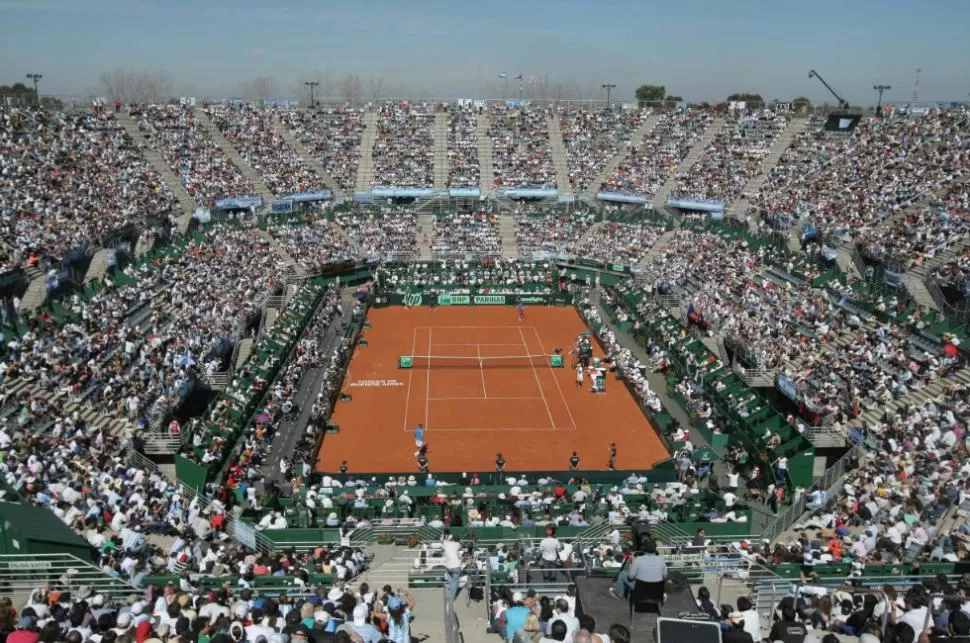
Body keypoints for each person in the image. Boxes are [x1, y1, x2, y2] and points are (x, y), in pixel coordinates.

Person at [441, 529, 463, 601]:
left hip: (448, 566)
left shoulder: (445, 543)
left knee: (450, 580)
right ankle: (452, 597)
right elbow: (461, 547)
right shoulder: (458, 544)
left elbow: (442, 547)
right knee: (455, 582)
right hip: (456, 566)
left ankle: (450, 591)